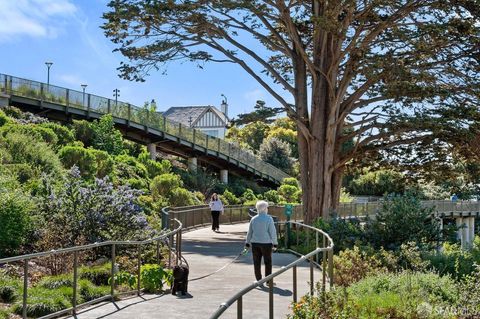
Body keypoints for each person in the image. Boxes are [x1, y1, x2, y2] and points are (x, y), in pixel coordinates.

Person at [245, 200, 278, 283]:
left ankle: (258, 280)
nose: (268, 209)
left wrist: (247, 243)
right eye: (267, 207)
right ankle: (268, 280)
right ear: (264, 209)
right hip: (266, 243)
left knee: (256, 262)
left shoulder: (253, 219)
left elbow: (250, 232)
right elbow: (272, 232)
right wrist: (275, 243)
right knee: (268, 262)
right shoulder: (269, 219)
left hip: (255, 243)